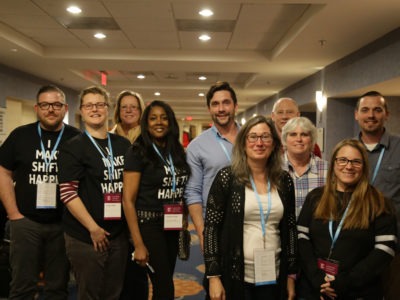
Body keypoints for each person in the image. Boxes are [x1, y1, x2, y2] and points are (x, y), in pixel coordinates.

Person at [204, 115, 297, 300]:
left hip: (274, 273)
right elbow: (211, 229)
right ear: (243, 143)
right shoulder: (227, 178)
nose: (259, 142)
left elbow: (290, 227)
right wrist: (213, 276)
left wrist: (291, 276)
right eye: (253, 137)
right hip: (236, 274)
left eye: (265, 137)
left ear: (274, 143)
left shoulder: (284, 180)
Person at [0, 85, 80, 299]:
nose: (50, 110)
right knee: (22, 285)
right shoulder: (20, 135)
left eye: (56, 105)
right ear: (37, 108)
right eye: (45, 105)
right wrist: (13, 215)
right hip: (26, 223)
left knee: (58, 287)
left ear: (65, 108)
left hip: (64, 224)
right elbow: (3, 172)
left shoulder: (77, 138)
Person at [297, 139, 397, 299]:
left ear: (364, 166)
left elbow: (385, 250)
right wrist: (317, 279)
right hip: (314, 288)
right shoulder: (316, 197)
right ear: (334, 163)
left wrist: (344, 283)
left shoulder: (378, 202)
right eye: (342, 160)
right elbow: (302, 238)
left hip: (358, 292)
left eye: (356, 162)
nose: (349, 166)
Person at [58, 86, 130, 299]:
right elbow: (68, 194)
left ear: (108, 109)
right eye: (89, 105)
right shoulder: (73, 147)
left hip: (117, 233)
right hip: (85, 235)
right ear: (81, 110)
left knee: (114, 292)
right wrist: (93, 228)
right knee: (90, 293)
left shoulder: (123, 144)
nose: (95, 109)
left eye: (100, 104)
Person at [123, 100, 190, 299]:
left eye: (163, 118)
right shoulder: (138, 152)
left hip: (172, 225)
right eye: (153, 118)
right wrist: (138, 243)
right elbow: (128, 199)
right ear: (146, 123)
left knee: (164, 280)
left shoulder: (177, 152)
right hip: (148, 224)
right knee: (165, 287)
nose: (158, 122)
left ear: (171, 122)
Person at [354, 90, 400, 300]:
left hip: (394, 245)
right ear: (356, 114)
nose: (371, 115)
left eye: (377, 110)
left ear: (386, 114)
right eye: (365, 110)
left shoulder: (398, 148)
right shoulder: (348, 150)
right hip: (354, 243)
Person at [185, 81, 239, 250]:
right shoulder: (197, 145)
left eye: (226, 102)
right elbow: (192, 192)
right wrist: (202, 232)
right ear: (209, 109)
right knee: (216, 274)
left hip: (253, 220)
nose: (221, 109)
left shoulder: (251, 138)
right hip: (216, 224)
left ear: (235, 106)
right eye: (215, 104)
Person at [110, 90, 148, 300]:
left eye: (134, 106)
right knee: (115, 271)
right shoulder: (107, 136)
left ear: (141, 110)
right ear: (118, 110)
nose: (129, 110)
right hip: (112, 209)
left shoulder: (147, 139)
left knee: (137, 272)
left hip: (139, 209)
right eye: (124, 106)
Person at [281, 117, 328, 218]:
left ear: (312, 140)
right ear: (285, 139)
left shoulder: (328, 170)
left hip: (316, 232)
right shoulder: (272, 169)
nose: (299, 139)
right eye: (293, 134)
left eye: (304, 134)